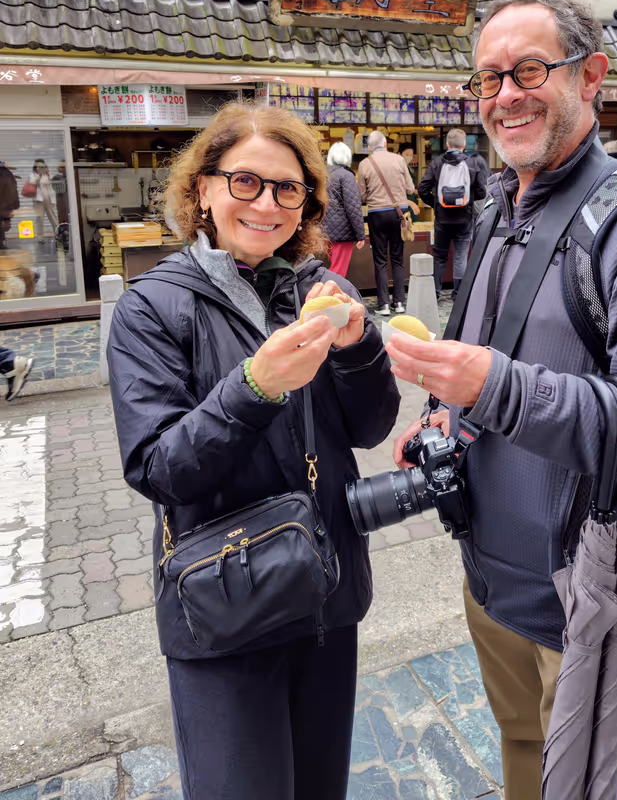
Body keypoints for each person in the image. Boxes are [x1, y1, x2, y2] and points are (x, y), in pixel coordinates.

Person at [385, 0, 617, 800]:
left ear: (590, 76)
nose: (505, 97)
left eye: (529, 70)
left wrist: (494, 387)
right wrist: (446, 410)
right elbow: (490, 359)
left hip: (592, 600)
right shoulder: (502, 211)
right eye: (488, 80)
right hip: (490, 581)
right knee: (523, 762)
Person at [107, 103, 399, 800]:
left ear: (306, 203)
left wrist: (360, 352)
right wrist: (253, 388)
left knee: (320, 786)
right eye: (246, 183)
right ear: (202, 190)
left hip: (324, 592)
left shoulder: (315, 291)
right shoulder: (151, 309)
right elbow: (157, 467)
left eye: (287, 188)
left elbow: (370, 428)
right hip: (224, 604)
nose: (267, 204)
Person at [417, 128, 487, 299]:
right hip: (465, 218)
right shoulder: (472, 163)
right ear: (464, 144)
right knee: (461, 256)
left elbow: (422, 189)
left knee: (439, 256)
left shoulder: (437, 163)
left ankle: (435, 292)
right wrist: (467, 201)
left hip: (442, 218)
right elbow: (482, 191)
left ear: (447, 144)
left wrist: (436, 203)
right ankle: (459, 294)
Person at [357, 130, 416, 316]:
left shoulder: (365, 164)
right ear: (385, 143)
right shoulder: (399, 160)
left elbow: (362, 196)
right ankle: (399, 302)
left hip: (377, 215)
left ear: (369, 147)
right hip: (399, 214)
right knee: (398, 259)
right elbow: (410, 188)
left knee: (380, 260)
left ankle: (383, 304)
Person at [322, 141, 366, 278]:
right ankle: (329, 297)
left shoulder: (324, 175)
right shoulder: (346, 176)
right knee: (338, 270)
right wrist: (360, 234)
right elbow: (353, 207)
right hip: (342, 232)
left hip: (325, 230)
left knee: (333, 265)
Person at [29, 159, 58, 237]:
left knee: (53, 217)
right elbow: (33, 182)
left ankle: (58, 234)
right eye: (38, 166)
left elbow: (54, 184)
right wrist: (40, 175)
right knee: (40, 219)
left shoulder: (48, 174)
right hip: (38, 200)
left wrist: (48, 175)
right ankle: (40, 237)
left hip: (49, 199)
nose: (39, 168)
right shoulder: (33, 175)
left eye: (41, 166)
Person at [0, 160, 19, 250]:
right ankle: (1, 241)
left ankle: (1, 241)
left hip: (4, 204)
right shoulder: (9, 175)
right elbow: (13, 191)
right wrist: (15, 204)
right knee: (3, 222)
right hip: (6, 205)